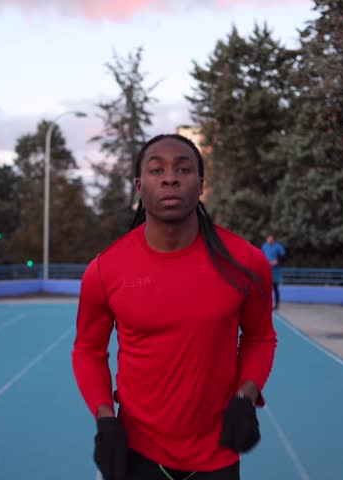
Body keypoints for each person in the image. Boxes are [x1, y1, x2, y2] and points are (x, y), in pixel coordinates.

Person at [71, 134, 278, 480]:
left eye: (183, 168)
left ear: (200, 184)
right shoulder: (105, 270)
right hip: (138, 452)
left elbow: (260, 337)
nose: (170, 177)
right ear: (139, 185)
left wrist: (246, 396)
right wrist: (105, 419)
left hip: (218, 455)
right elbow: (88, 350)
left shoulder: (246, 261)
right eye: (157, 170)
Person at [261, 234, 286, 310]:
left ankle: (277, 304)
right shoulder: (264, 246)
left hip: (275, 270)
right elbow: (261, 256)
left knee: (275, 287)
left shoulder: (278, 246)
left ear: (273, 239)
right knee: (266, 288)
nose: (270, 240)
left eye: (271, 238)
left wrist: (277, 261)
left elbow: (284, 256)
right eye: (268, 238)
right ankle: (266, 304)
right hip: (266, 270)